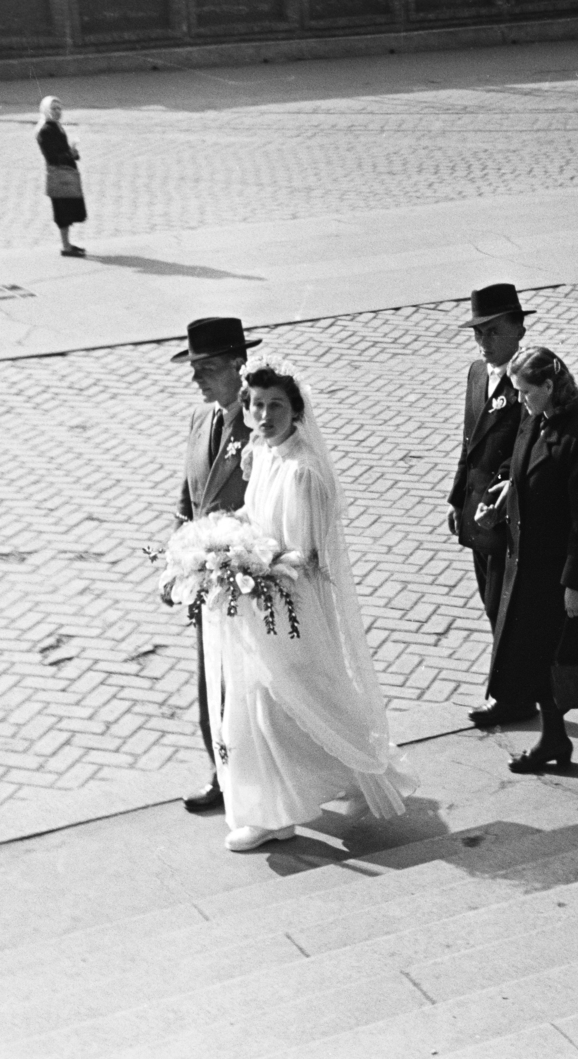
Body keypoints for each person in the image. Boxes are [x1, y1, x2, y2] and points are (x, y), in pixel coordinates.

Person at [204, 351, 416, 851]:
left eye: (275, 404)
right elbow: (256, 519)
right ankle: (279, 805)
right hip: (261, 604)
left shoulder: (304, 473)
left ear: (296, 410)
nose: (263, 415)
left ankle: (280, 811)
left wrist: (249, 564)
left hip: (291, 610)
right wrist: (221, 541)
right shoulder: (262, 456)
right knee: (266, 706)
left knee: (291, 702)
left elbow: (305, 558)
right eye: (255, 404)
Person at [475, 347, 578, 771]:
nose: (521, 400)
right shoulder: (535, 420)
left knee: (573, 660)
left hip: (565, 573)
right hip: (532, 567)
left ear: (549, 386)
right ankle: (556, 741)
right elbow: (522, 473)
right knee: (538, 658)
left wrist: (577, 584)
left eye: (527, 392)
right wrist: (502, 502)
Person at [169, 317, 256, 813]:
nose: (197, 379)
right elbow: (189, 498)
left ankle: (258, 775)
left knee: (246, 684)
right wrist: (176, 560)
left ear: (237, 367)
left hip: (245, 576)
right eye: (194, 367)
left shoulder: (262, 420)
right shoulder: (201, 420)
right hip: (205, 578)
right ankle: (221, 771)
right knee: (210, 680)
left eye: (206, 368)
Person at [447, 284, 532, 728]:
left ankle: (508, 696)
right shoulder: (477, 375)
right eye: (478, 332)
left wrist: (505, 492)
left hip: (509, 513)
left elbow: (529, 451)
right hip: (477, 511)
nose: (484, 342)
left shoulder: (530, 380)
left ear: (519, 328)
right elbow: (470, 443)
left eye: (494, 331)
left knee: (507, 606)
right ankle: (525, 688)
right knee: (490, 601)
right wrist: (457, 497)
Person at [37, 96, 87, 258]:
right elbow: (52, 157)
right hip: (59, 174)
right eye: (54, 109)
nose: (58, 112)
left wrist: (73, 154)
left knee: (68, 208)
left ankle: (68, 244)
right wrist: (69, 154)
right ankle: (65, 246)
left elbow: (63, 151)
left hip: (66, 172)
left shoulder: (56, 127)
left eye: (60, 108)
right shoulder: (45, 131)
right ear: (46, 110)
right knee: (62, 210)